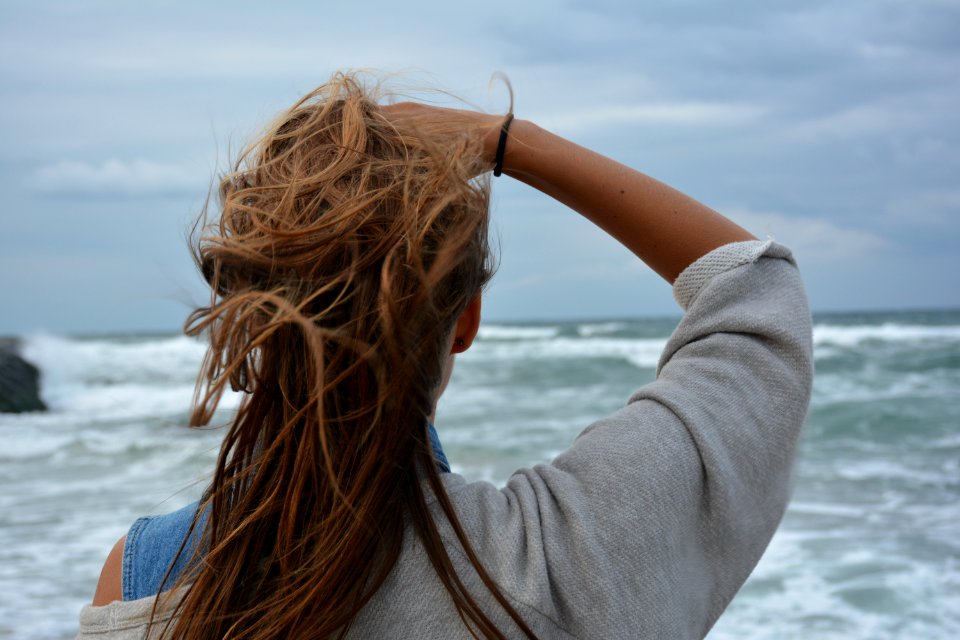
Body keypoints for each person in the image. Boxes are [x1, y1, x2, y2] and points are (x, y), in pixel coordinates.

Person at [77, 72, 813, 639]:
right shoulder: (558, 563)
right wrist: (508, 143)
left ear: (253, 318)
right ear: (465, 321)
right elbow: (756, 294)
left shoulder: (145, 582)